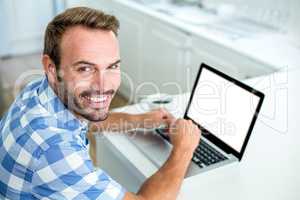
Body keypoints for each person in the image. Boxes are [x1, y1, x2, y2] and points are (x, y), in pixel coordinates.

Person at [0, 7, 201, 200]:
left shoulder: (37, 91)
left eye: (112, 66)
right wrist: (184, 149)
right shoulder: (54, 150)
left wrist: (138, 120)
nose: (103, 85)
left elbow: (79, 117)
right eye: (85, 69)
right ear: (51, 68)